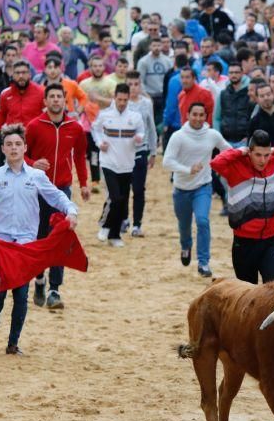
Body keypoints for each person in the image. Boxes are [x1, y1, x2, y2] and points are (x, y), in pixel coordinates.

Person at [0, 124, 78, 355]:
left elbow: (56, 196)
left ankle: (13, 343)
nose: (13, 148)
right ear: (2, 148)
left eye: (18, 144)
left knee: (21, 292)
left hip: (25, 243)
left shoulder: (36, 176)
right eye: (9, 144)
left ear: (25, 148)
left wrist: (71, 211)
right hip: (0, 243)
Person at [210, 130, 274, 284]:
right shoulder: (236, 166)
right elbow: (215, 163)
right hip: (243, 243)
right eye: (257, 155)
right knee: (249, 295)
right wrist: (238, 151)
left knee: (273, 290)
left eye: (266, 155)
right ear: (249, 152)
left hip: (272, 240)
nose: (263, 160)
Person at [25, 83, 89, 310]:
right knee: (40, 237)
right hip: (37, 190)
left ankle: (54, 289)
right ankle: (39, 279)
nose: (55, 100)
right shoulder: (33, 126)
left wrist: (83, 183)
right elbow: (21, 156)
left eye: (59, 97)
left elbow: (80, 155)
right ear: (45, 101)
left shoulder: (75, 127)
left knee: (61, 238)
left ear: (65, 101)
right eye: (51, 97)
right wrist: (34, 163)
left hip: (62, 189)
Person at [163, 102, 231, 276]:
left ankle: (203, 263)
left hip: (203, 186)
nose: (198, 118)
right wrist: (188, 169)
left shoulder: (212, 135)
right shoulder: (178, 136)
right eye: (195, 114)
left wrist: (245, 152)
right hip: (181, 188)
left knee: (202, 221)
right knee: (184, 225)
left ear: (206, 117)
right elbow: (167, 162)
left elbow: (228, 150)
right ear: (187, 115)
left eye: (202, 115)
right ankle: (186, 246)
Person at [91, 83, 144, 247]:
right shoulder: (105, 115)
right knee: (115, 197)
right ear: (114, 97)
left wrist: (139, 138)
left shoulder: (135, 117)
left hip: (127, 163)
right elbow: (95, 129)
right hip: (108, 162)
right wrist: (100, 143)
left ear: (129, 99)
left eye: (125, 100)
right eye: (119, 99)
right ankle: (105, 226)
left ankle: (114, 236)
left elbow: (141, 131)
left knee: (123, 200)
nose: (122, 102)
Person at [123, 71, 157, 237]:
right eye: (130, 84)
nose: (133, 88)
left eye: (136, 84)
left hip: (140, 151)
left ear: (140, 85)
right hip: (122, 152)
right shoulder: (121, 103)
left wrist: (153, 151)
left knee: (138, 189)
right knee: (122, 189)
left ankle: (137, 224)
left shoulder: (146, 103)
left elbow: (151, 128)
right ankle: (124, 219)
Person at [0, 61, 44, 144]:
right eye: (17, 73)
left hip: (34, 138)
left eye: (24, 72)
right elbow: (1, 114)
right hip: (13, 139)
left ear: (29, 74)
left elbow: (46, 116)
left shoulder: (40, 92)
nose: (21, 76)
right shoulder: (5, 94)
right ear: (13, 75)